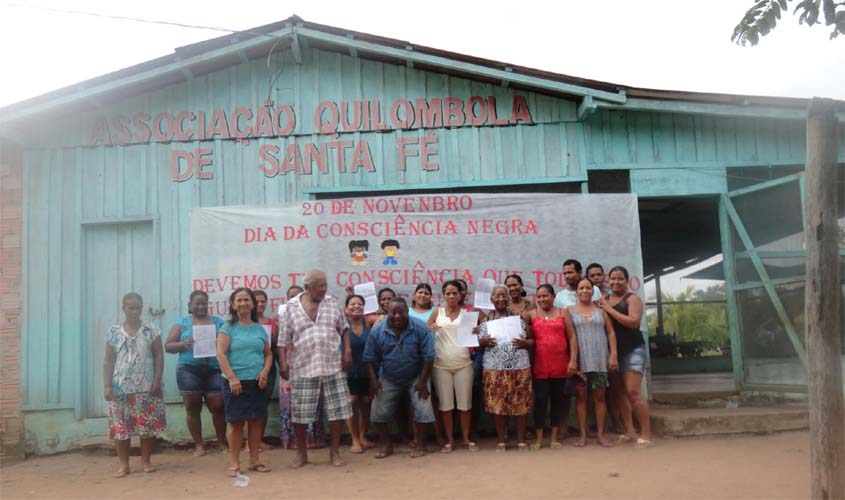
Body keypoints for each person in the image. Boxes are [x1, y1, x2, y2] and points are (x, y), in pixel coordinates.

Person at [279, 270, 353, 468]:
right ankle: (301, 454)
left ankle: (335, 452)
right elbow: (282, 340)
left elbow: (344, 328)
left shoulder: (332, 302)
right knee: (300, 414)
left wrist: (347, 351)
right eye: (320, 285)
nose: (324, 288)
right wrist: (283, 363)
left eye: (325, 284)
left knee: (337, 411)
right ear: (307, 287)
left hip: (332, 363)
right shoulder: (289, 308)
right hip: (303, 365)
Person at [103, 292, 166, 478]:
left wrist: (156, 380)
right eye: (131, 307)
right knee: (121, 429)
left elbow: (159, 356)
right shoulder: (114, 332)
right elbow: (108, 360)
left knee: (147, 427)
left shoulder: (151, 330)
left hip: (147, 387)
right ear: (123, 308)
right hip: (120, 388)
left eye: (138, 307)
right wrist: (107, 385)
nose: (135, 311)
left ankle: (146, 461)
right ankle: (124, 465)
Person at [364, 298, 436, 459]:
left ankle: (420, 444)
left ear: (407, 312)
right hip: (388, 376)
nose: (397, 316)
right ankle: (386, 444)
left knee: (423, 409)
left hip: (417, 375)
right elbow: (369, 358)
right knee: (378, 412)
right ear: (387, 313)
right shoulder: (377, 331)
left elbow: (429, 356)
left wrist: (423, 381)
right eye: (393, 312)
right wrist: (374, 381)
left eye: (401, 312)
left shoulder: (420, 327)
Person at [217, 287, 273, 476]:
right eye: (239, 300)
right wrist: (232, 378)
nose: (243, 303)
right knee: (236, 423)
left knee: (256, 422)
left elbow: (268, 354)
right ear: (233, 305)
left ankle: (254, 460)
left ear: (252, 304)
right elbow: (220, 354)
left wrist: (265, 372)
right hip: (235, 383)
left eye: (246, 300)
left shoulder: (259, 328)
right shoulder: (227, 328)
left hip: (257, 383)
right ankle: (234, 463)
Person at [164, 290, 226, 456]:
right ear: (190, 306)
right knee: (192, 408)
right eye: (197, 303)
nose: (200, 306)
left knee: (218, 405)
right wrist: (183, 344)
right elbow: (168, 346)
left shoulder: (218, 322)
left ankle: (221, 443)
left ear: (208, 304)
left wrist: (220, 342)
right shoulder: (182, 323)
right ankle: (199, 445)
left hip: (215, 369)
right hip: (189, 369)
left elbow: (230, 342)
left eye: (203, 303)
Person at [598, 266, 654, 448]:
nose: (615, 282)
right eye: (612, 279)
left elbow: (633, 322)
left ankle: (646, 434)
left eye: (620, 279)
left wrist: (609, 309)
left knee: (633, 392)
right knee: (619, 394)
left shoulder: (632, 299)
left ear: (627, 280)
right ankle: (629, 432)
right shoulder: (603, 299)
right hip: (612, 352)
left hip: (633, 349)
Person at [477, 285, 533, 451]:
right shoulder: (484, 322)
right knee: (498, 404)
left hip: (520, 367)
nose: (501, 299)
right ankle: (502, 440)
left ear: (508, 298)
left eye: (504, 296)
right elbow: (477, 348)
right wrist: (483, 342)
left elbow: (533, 341)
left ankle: (521, 440)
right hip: (494, 369)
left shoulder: (520, 319)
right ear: (491, 300)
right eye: (497, 296)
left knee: (520, 404)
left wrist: (525, 343)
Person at [565, 278, 618, 448]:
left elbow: (611, 333)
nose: (585, 291)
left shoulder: (601, 310)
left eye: (588, 287)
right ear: (577, 291)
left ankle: (601, 435)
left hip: (600, 360)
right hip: (581, 362)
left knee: (600, 398)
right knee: (581, 398)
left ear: (593, 290)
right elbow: (571, 337)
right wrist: (573, 360)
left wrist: (613, 355)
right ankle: (583, 435)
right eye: (581, 288)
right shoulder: (569, 311)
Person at [524, 285, 577, 450]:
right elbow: (525, 336)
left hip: (560, 365)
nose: (541, 300)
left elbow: (572, 337)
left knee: (557, 401)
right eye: (538, 297)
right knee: (539, 401)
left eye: (545, 296)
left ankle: (554, 437)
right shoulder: (531, 315)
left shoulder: (563, 313)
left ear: (553, 296)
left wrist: (573, 360)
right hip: (539, 365)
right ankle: (539, 439)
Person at [428, 280, 478, 452]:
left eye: (454, 293)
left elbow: (479, 332)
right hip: (441, 365)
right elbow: (427, 330)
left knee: (465, 405)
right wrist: (432, 326)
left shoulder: (468, 314)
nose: (451, 296)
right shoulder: (437, 312)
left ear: (460, 295)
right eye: (448, 293)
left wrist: (477, 331)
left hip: (464, 364)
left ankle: (465, 438)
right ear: (443, 295)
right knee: (445, 406)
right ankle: (449, 441)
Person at [278, 285, 326, 449]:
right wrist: (283, 364)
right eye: (290, 296)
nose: (294, 299)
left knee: (312, 402)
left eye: (297, 296)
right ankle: (292, 441)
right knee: (291, 404)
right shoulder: (282, 318)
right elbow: (280, 344)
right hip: (289, 366)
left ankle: (313, 439)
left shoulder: (314, 316)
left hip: (310, 365)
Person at [344, 294, 375, 453]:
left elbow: (384, 316)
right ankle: (354, 439)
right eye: (352, 304)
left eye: (360, 304)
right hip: (348, 370)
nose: (356, 306)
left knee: (366, 402)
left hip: (367, 369)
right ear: (346, 308)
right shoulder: (342, 323)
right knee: (352, 401)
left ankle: (363, 436)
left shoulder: (368, 321)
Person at [254, 290, 279, 445]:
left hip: (268, 368)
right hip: (248, 367)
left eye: (263, 301)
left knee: (263, 404)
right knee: (248, 403)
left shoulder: (271, 323)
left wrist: (276, 329)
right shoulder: (242, 323)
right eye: (257, 301)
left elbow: (274, 347)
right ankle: (248, 440)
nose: (260, 304)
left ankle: (258, 439)